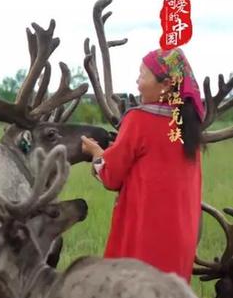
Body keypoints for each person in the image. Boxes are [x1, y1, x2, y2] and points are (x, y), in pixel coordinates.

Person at [80, 47, 205, 283]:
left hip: (143, 241)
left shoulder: (138, 120)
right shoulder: (189, 126)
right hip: (180, 243)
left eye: (142, 75)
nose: (137, 82)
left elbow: (110, 176)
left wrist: (96, 153)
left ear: (166, 85)